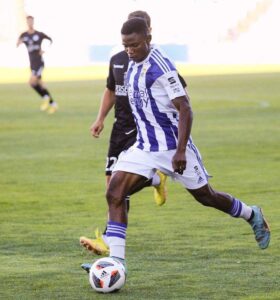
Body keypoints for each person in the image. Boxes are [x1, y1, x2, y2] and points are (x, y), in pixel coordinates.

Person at [83, 17, 270, 275]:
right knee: (115, 191)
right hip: (145, 147)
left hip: (173, 148)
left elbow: (185, 108)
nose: (129, 51)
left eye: (134, 45)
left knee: (207, 197)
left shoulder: (162, 67)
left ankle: (252, 215)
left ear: (148, 38)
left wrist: (181, 150)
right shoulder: (132, 63)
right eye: (125, 46)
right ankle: (117, 262)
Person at [79, 11, 188, 257]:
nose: (130, 48)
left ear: (148, 33)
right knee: (111, 184)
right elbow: (111, 90)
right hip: (120, 127)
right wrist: (100, 119)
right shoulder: (118, 59)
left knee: (117, 186)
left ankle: (110, 240)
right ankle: (156, 179)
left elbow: (179, 94)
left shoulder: (155, 62)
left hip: (143, 129)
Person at [17, 16, 58, 114]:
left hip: (39, 63)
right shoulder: (24, 35)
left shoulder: (39, 34)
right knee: (40, 84)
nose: (30, 23)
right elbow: (17, 44)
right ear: (27, 22)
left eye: (31, 21)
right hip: (32, 63)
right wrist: (20, 42)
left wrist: (45, 50)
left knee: (31, 82)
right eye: (28, 21)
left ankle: (45, 98)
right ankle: (53, 104)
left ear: (33, 22)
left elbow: (51, 40)